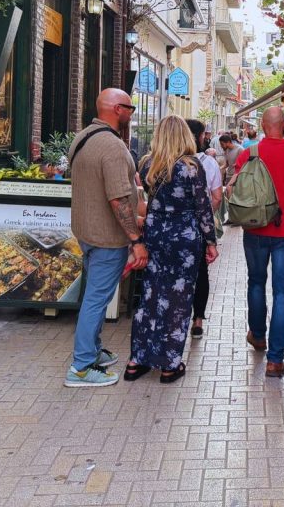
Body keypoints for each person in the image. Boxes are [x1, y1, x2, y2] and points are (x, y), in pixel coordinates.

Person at [124, 115, 218, 383]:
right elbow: (203, 209)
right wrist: (210, 241)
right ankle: (169, 364)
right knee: (178, 299)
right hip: (184, 239)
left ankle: (137, 360)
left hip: (155, 235)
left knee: (151, 295)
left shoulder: (146, 165)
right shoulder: (191, 167)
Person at [65, 88, 146, 388]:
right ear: (117, 109)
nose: (131, 113)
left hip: (86, 231)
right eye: (130, 108)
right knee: (96, 300)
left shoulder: (83, 137)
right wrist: (136, 239)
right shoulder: (112, 147)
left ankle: (93, 351)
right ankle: (82, 367)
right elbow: (118, 200)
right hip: (106, 237)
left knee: (94, 297)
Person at [231, 106, 284, 378]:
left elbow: (233, 188)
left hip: (256, 231)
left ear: (264, 126)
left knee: (256, 282)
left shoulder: (248, 154)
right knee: (283, 293)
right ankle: (275, 360)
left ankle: (257, 335)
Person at [187, 119, 223, 340]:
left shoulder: (163, 160)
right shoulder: (207, 164)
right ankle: (197, 319)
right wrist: (207, 221)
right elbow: (217, 197)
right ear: (200, 137)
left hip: (166, 232)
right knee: (200, 273)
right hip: (198, 229)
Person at [219, 133, 240, 224]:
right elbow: (227, 164)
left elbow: (242, 165)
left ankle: (236, 218)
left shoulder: (240, 150)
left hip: (236, 177)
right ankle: (231, 218)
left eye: (222, 144)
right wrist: (219, 168)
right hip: (228, 176)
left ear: (228, 142)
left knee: (234, 199)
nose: (221, 146)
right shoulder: (226, 151)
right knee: (229, 198)